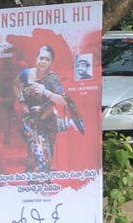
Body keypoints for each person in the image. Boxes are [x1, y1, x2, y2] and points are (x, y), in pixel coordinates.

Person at [13, 44, 83, 176]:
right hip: (29, 121)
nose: (43, 62)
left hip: (47, 121)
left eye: (47, 59)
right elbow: (16, 85)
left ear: (51, 62)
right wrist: (22, 101)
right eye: (41, 58)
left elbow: (63, 101)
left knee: (46, 151)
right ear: (36, 58)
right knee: (35, 150)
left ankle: (45, 184)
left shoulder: (53, 78)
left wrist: (45, 92)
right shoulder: (26, 73)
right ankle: (32, 184)